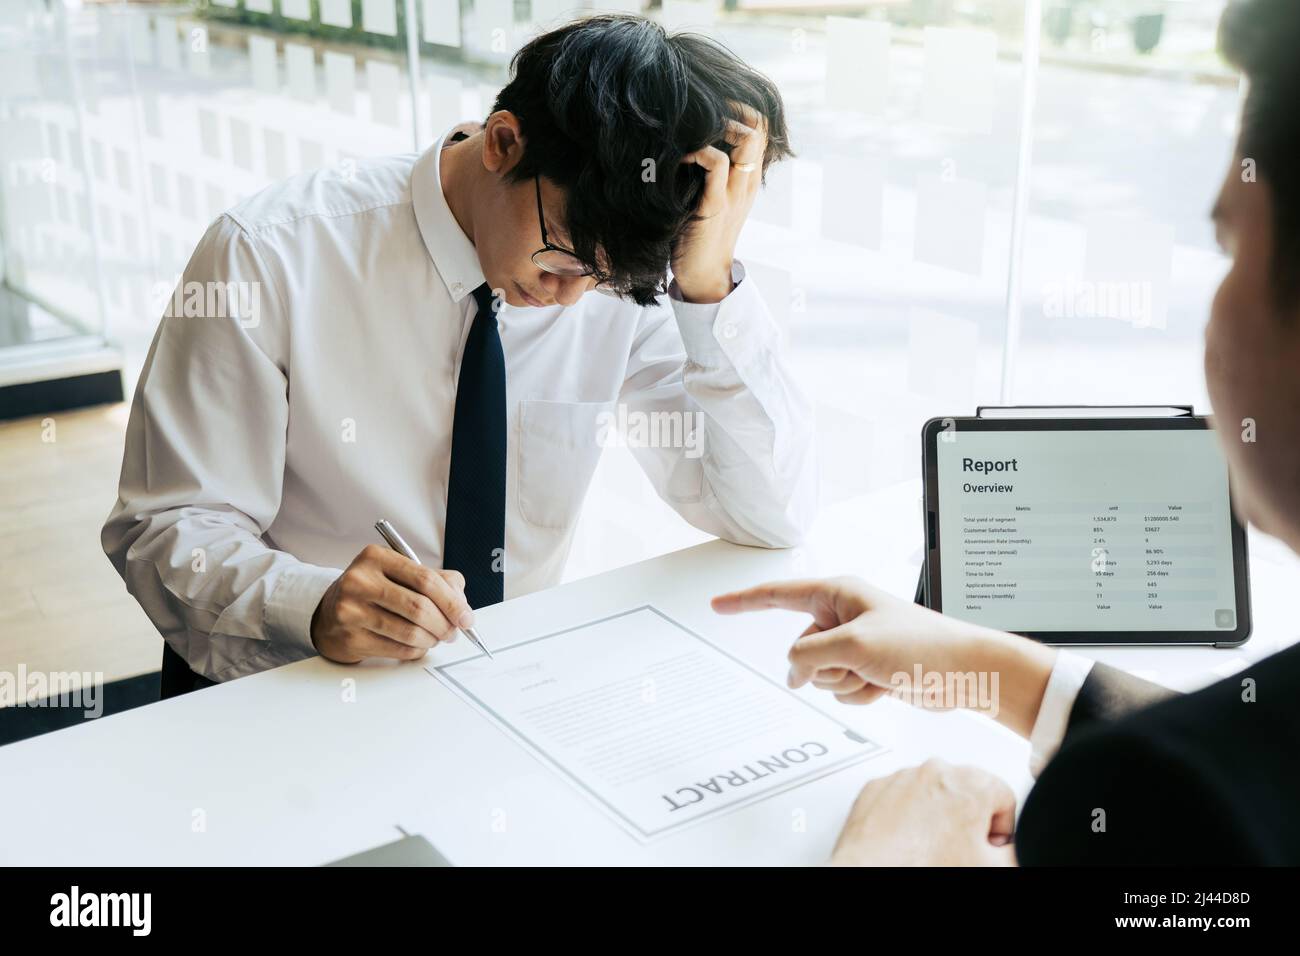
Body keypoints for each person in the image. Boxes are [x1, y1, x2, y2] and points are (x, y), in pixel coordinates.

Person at [713, 0, 1300, 865]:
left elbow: (1206, 788)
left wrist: (885, 856)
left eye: (1229, 247)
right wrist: (994, 671)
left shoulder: (1147, 809)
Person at [102, 15, 816, 694]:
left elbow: (766, 516)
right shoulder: (270, 253)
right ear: (504, 143)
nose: (572, 300)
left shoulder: (615, 274)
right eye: (563, 260)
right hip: (299, 684)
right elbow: (166, 528)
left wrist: (708, 287)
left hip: (508, 686)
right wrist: (312, 601)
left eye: (604, 280)